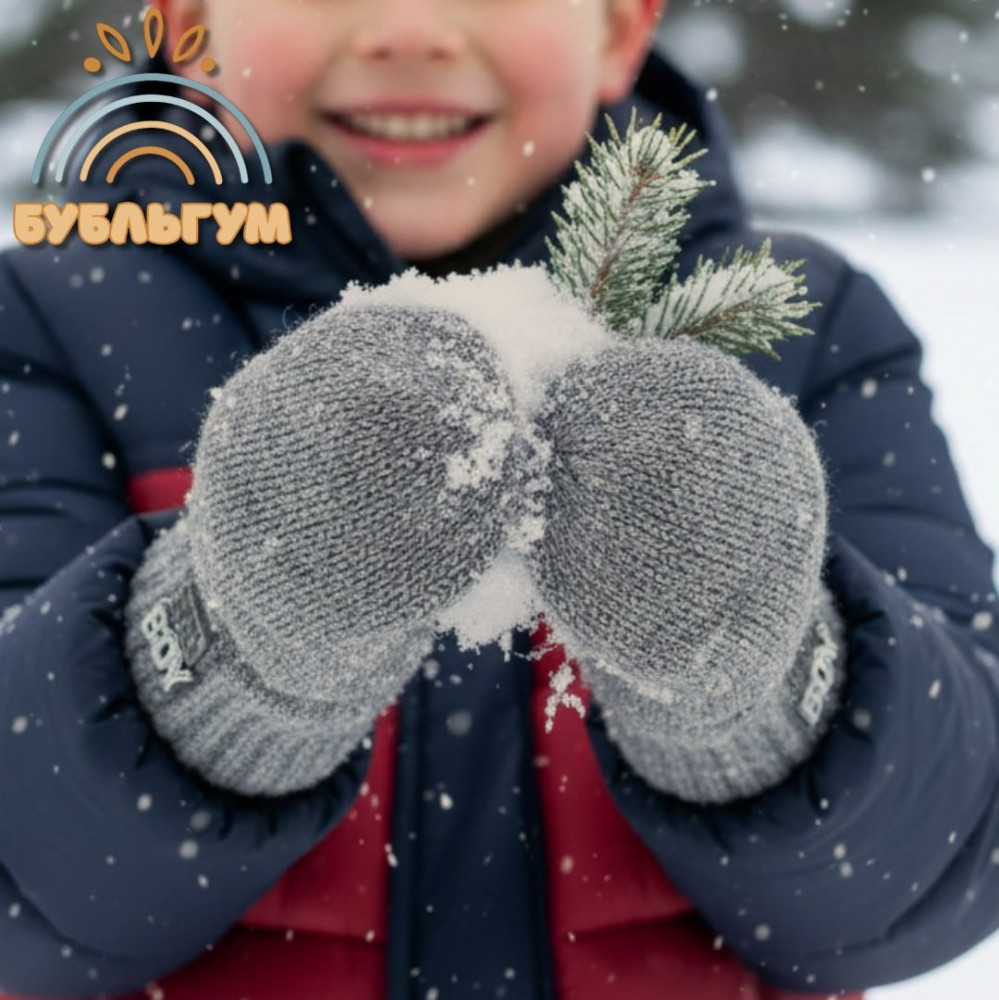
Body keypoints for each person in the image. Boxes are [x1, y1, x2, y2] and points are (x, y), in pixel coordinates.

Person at [1, 0, 998, 998]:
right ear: (189, 26)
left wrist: (752, 699)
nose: (409, 32)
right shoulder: (45, 325)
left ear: (618, 31)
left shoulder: (804, 326)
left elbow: (944, 862)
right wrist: (222, 653)